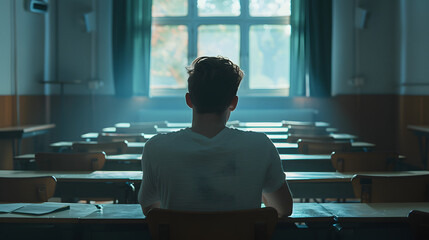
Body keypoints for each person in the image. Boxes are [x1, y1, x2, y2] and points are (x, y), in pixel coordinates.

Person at [138, 56, 293, 217]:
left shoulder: (156, 147)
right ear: (233, 102)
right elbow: (283, 209)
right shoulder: (261, 146)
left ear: (189, 100)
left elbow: (151, 211)